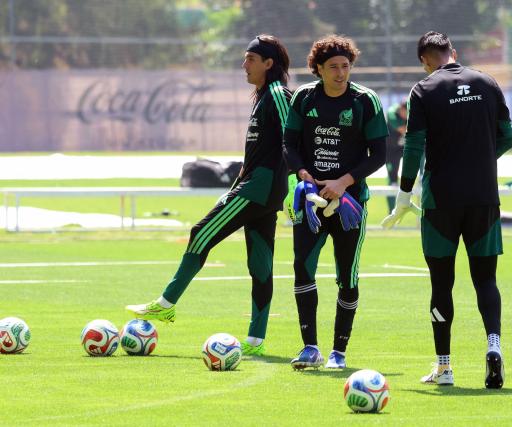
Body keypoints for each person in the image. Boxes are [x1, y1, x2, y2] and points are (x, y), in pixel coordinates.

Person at [125, 35, 292, 357]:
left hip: (262, 188)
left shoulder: (277, 94)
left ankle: (165, 304)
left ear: (269, 64)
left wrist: (300, 181)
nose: (244, 65)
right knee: (260, 263)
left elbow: (293, 140)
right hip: (257, 186)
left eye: (250, 59)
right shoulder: (262, 97)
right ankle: (256, 341)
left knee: (200, 232)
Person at [382, 31, 512, 389]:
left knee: (442, 283)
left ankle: (444, 367)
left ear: (425, 60)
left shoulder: (424, 90)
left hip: (440, 202)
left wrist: (404, 193)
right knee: (486, 279)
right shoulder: (487, 83)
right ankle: (494, 345)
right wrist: (481, 161)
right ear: (452, 52)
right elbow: (508, 137)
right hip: (484, 197)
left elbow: (412, 146)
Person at [282, 35, 388, 370]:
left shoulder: (365, 101)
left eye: (345, 66)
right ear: (318, 69)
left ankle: (338, 352)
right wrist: (304, 175)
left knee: (347, 276)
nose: (341, 73)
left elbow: (380, 154)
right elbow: (289, 144)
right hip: (311, 200)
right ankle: (309, 347)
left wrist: (343, 183)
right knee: (302, 267)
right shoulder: (303, 98)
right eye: (333, 67)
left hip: (349, 204)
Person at [384, 101, 408, 213]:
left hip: (402, 147)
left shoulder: (410, 113)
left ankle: (422, 175)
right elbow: (403, 129)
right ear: (401, 109)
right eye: (406, 112)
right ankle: (391, 211)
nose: (407, 115)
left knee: (422, 147)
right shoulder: (392, 112)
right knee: (393, 180)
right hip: (390, 150)